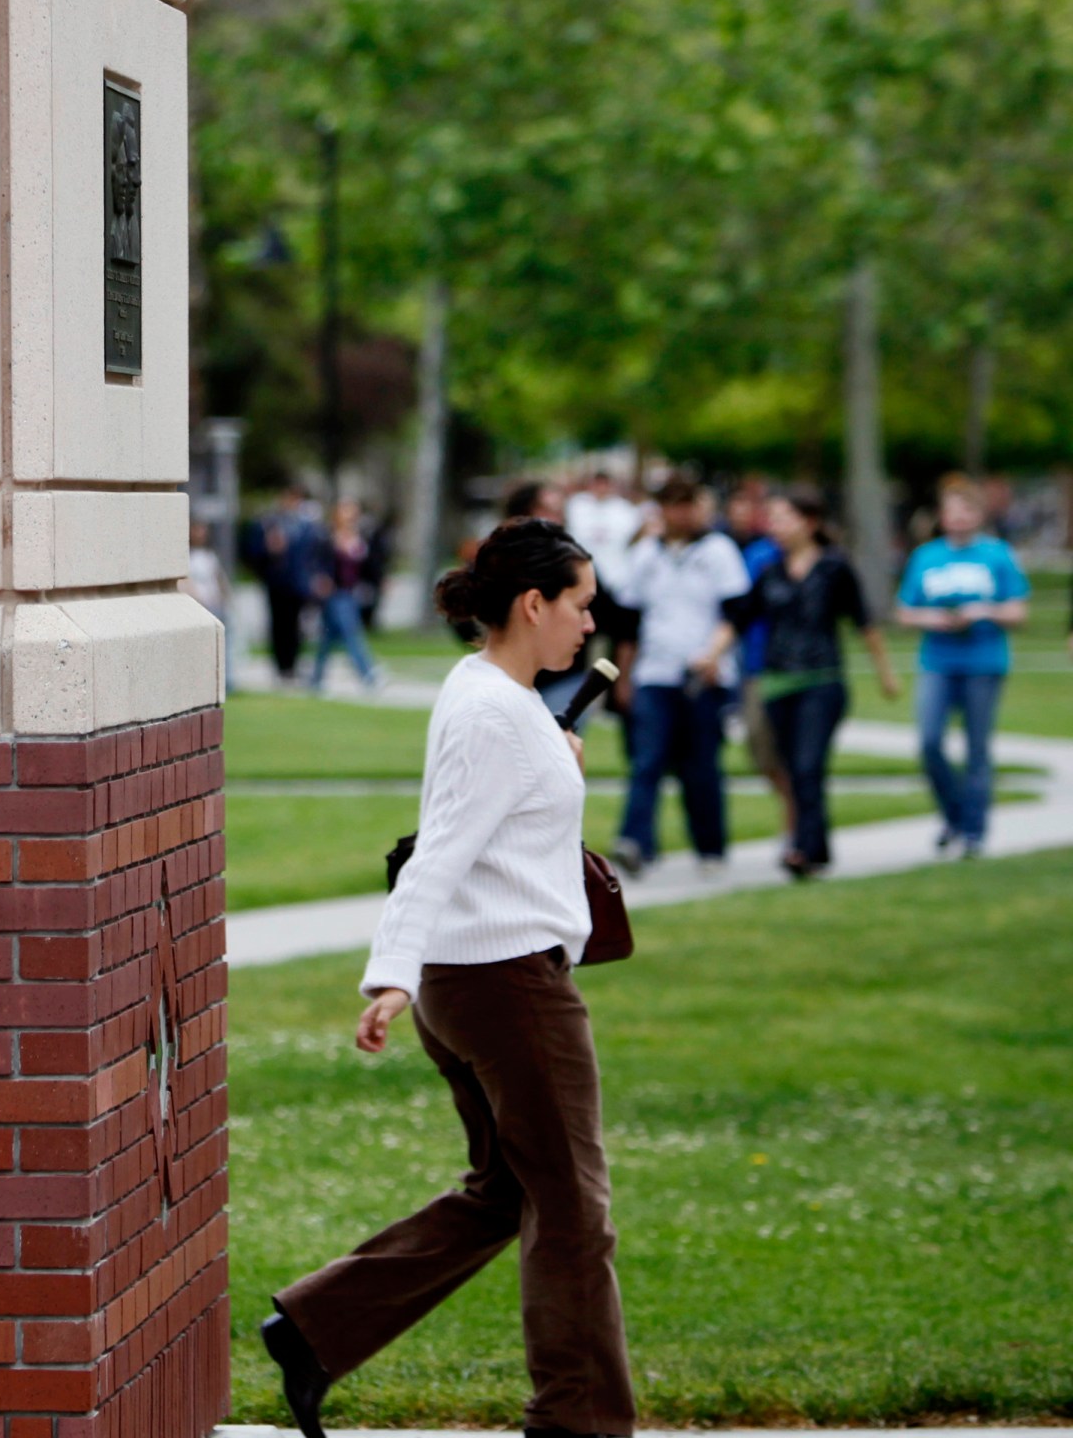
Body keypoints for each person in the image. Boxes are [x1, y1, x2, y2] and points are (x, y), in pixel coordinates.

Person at [261, 519, 634, 1438]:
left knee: (509, 1191)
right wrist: (389, 974)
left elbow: (500, 815)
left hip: (475, 985)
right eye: (580, 606)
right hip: (508, 991)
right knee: (575, 1212)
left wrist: (556, 753)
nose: (590, 625)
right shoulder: (493, 715)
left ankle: (316, 1328)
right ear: (533, 604)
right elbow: (439, 854)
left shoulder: (491, 695)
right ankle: (579, 1423)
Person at [721, 489, 899, 878]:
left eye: (783, 518)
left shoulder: (835, 567)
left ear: (810, 522)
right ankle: (813, 846)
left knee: (807, 765)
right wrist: (709, 654)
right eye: (773, 519)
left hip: (822, 680)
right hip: (776, 683)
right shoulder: (770, 570)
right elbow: (741, 618)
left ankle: (805, 848)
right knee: (789, 766)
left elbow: (864, 622)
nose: (775, 527)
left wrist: (885, 673)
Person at [611, 477, 749, 876]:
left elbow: (736, 611)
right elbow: (628, 621)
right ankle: (636, 841)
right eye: (672, 505)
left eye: (688, 505)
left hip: (703, 672)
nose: (681, 514)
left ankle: (710, 847)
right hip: (655, 670)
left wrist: (714, 655)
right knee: (647, 760)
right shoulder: (645, 555)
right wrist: (624, 676)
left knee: (699, 765)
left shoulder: (718, 551)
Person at [895, 475, 1030, 858]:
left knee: (976, 749)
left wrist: (983, 611)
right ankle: (954, 815)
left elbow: (1019, 611)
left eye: (967, 510)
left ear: (978, 514)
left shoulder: (997, 555)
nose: (959, 518)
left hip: (983, 662)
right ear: (942, 515)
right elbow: (904, 612)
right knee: (929, 742)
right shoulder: (926, 556)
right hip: (937, 661)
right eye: (952, 511)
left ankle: (973, 831)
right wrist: (932, 619)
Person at [721, 479, 794, 851]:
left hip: (799, 669)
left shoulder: (819, 560)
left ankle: (797, 826)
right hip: (757, 665)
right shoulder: (757, 557)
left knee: (797, 751)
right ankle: (793, 804)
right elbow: (741, 611)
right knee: (759, 747)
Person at [311, 499, 383, 691]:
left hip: (352, 592)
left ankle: (316, 677)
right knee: (351, 632)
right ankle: (367, 673)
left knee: (328, 638)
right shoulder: (327, 538)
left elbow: (369, 565)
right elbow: (318, 562)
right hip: (335, 592)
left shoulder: (360, 538)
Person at [255, 488, 325, 682]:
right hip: (277, 582)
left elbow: (314, 554)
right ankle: (280, 665)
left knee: (296, 625)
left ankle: (292, 664)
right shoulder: (270, 524)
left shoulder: (307, 526)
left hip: (298, 583)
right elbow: (254, 551)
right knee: (278, 624)